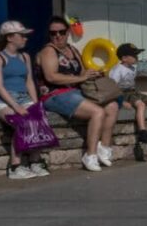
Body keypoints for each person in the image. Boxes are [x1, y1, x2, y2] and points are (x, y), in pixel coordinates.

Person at [35, 16, 116, 170]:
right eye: (53, 33)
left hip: (76, 91)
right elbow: (51, 76)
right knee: (97, 112)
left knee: (112, 106)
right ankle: (90, 155)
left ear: (68, 33)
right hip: (55, 95)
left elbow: (82, 72)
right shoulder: (48, 51)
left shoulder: (72, 49)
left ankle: (103, 149)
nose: (57, 35)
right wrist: (80, 77)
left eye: (61, 32)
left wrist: (92, 74)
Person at [0, 21, 49, 179]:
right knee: (21, 123)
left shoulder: (25, 57)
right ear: (10, 38)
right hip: (3, 101)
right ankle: (15, 166)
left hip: (24, 97)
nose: (26, 38)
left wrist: (35, 104)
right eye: (22, 35)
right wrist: (15, 106)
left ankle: (35, 162)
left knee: (37, 121)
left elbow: (29, 82)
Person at [109, 43, 147, 155]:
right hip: (123, 93)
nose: (137, 58)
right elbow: (112, 88)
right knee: (140, 105)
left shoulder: (132, 68)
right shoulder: (117, 70)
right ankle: (143, 132)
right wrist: (122, 102)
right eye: (134, 55)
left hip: (133, 92)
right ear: (124, 58)